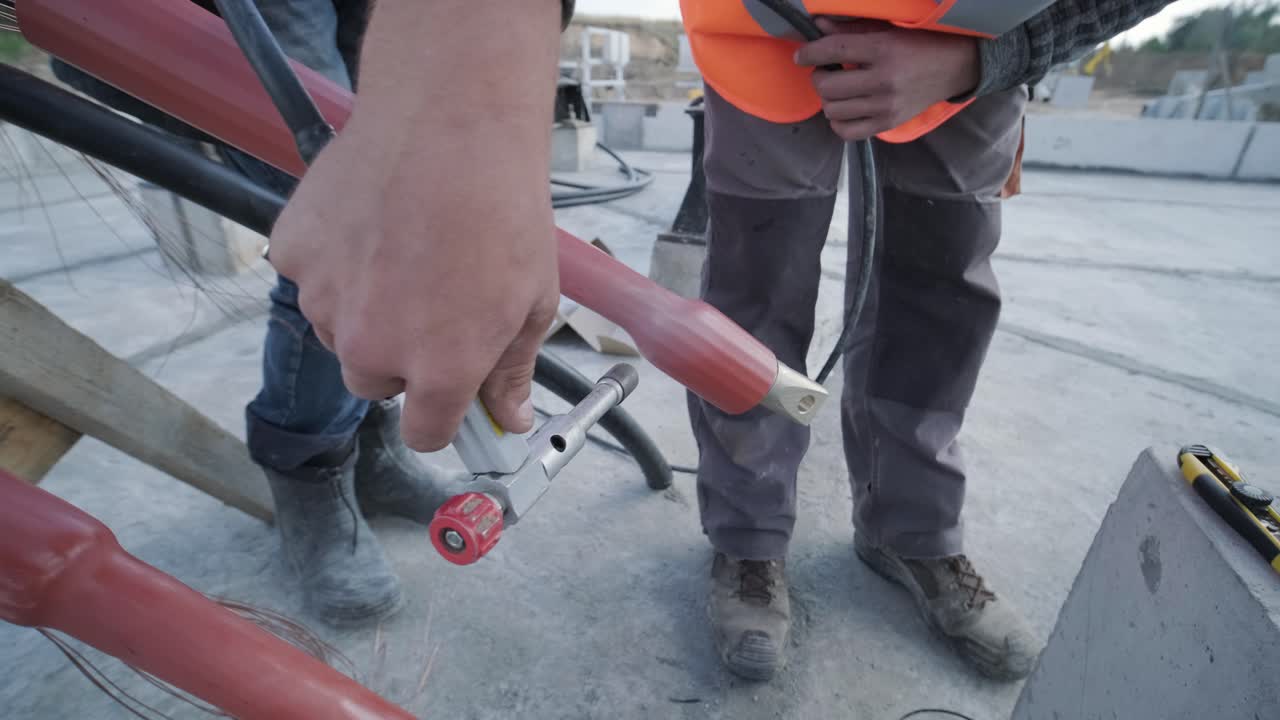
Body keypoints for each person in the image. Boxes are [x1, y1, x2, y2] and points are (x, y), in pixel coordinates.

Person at [258, 0, 1181, 675]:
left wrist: (990, 59)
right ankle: (747, 540)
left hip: (974, 54)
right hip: (764, 41)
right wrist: (462, 100)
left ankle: (914, 531)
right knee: (751, 308)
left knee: (939, 303)